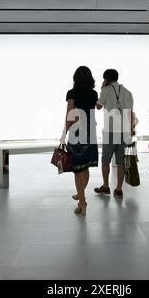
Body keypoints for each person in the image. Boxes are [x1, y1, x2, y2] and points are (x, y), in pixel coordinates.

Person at [61, 66, 99, 215]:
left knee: (78, 168)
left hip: (77, 131)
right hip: (90, 130)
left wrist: (64, 132)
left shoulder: (72, 93)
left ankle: (82, 202)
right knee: (86, 166)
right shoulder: (94, 93)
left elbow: (70, 114)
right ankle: (80, 196)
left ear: (75, 78)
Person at [94, 69, 134, 198]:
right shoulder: (128, 92)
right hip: (124, 130)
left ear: (106, 79)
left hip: (110, 131)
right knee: (120, 161)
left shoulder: (105, 90)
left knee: (105, 160)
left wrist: (101, 89)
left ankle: (106, 186)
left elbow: (98, 106)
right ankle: (119, 189)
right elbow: (130, 113)